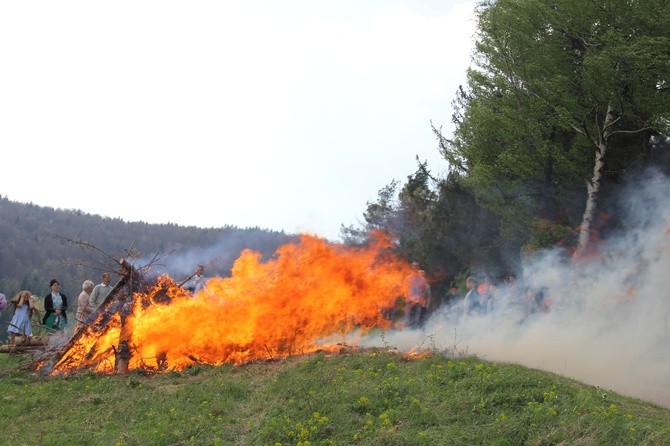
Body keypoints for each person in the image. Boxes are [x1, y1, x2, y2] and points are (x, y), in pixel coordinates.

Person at [404, 262, 431, 327]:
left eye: (417, 266)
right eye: (414, 266)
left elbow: (424, 291)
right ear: (412, 268)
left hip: (418, 302)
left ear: (418, 268)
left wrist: (423, 301)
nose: (415, 268)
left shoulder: (422, 279)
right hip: (410, 301)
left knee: (417, 317)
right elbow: (405, 289)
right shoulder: (408, 278)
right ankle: (408, 332)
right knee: (409, 317)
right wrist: (407, 298)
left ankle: (416, 332)